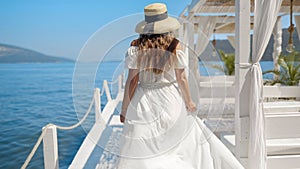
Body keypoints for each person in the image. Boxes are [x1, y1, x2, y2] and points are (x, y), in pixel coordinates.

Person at [116, 3, 244, 169]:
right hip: (170, 98)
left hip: (143, 99)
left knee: (142, 146)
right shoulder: (175, 45)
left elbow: (132, 80)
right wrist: (189, 101)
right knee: (174, 145)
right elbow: (181, 78)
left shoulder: (135, 47)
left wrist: (125, 109)